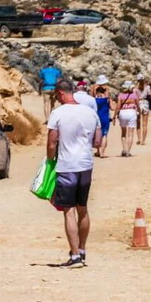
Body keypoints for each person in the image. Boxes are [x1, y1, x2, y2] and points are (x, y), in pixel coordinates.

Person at [47, 79, 102, 268]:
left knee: (68, 211)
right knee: (83, 208)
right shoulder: (90, 112)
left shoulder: (58, 113)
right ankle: (83, 250)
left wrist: (50, 160)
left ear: (61, 93)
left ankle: (75, 256)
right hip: (86, 165)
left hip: (67, 166)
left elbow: (52, 142)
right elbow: (97, 141)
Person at [116, 80, 140, 156]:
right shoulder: (134, 95)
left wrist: (114, 116)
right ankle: (128, 151)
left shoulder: (120, 95)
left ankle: (124, 149)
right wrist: (138, 112)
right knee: (130, 133)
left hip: (123, 113)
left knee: (123, 132)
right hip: (132, 112)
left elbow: (118, 106)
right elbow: (137, 105)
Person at [92, 82, 113, 158]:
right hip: (105, 118)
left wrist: (95, 86)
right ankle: (102, 152)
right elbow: (112, 107)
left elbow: (93, 92)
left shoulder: (94, 99)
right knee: (104, 135)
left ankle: (97, 151)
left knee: (97, 134)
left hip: (97, 118)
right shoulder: (106, 99)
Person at [136, 75, 151, 145]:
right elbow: (150, 95)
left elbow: (135, 97)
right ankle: (143, 140)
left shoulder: (135, 88)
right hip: (145, 103)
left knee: (138, 123)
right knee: (145, 124)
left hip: (138, 103)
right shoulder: (147, 87)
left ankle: (139, 139)